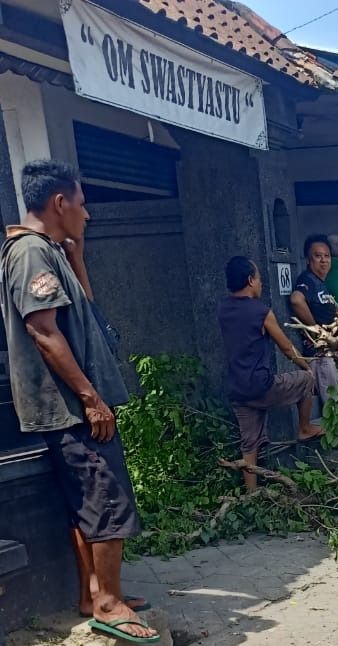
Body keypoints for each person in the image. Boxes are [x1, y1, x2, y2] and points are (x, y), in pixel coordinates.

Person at [0, 160, 158, 642]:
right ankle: (108, 604)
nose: (86, 214)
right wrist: (90, 398)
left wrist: (79, 259)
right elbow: (43, 331)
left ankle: (95, 594)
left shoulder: (50, 252)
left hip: (73, 406)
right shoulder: (30, 253)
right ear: (59, 202)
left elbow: (84, 314)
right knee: (105, 498)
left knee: (87, 504)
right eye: (82, 204)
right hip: (70, 408)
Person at [218, 256, 322, 492]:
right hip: (261, 386)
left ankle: (251, 495)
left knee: (249, 444)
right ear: (250, 280)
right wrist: (306, 366)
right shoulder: (261, 312)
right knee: (306, 380)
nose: (261, 283)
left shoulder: (223, 309)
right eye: (259, 278)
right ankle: (305, 427)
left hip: (237, 389)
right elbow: (286, 347)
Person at [289, 234, 338, 409]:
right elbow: (296, 300)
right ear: (308, 260)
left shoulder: (321, 283)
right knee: (333, 408)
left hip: (329, 355)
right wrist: (316, 330)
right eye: (318, 256)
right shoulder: (307, 280)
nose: (324, 260)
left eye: (327, 256)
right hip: (320, 356)